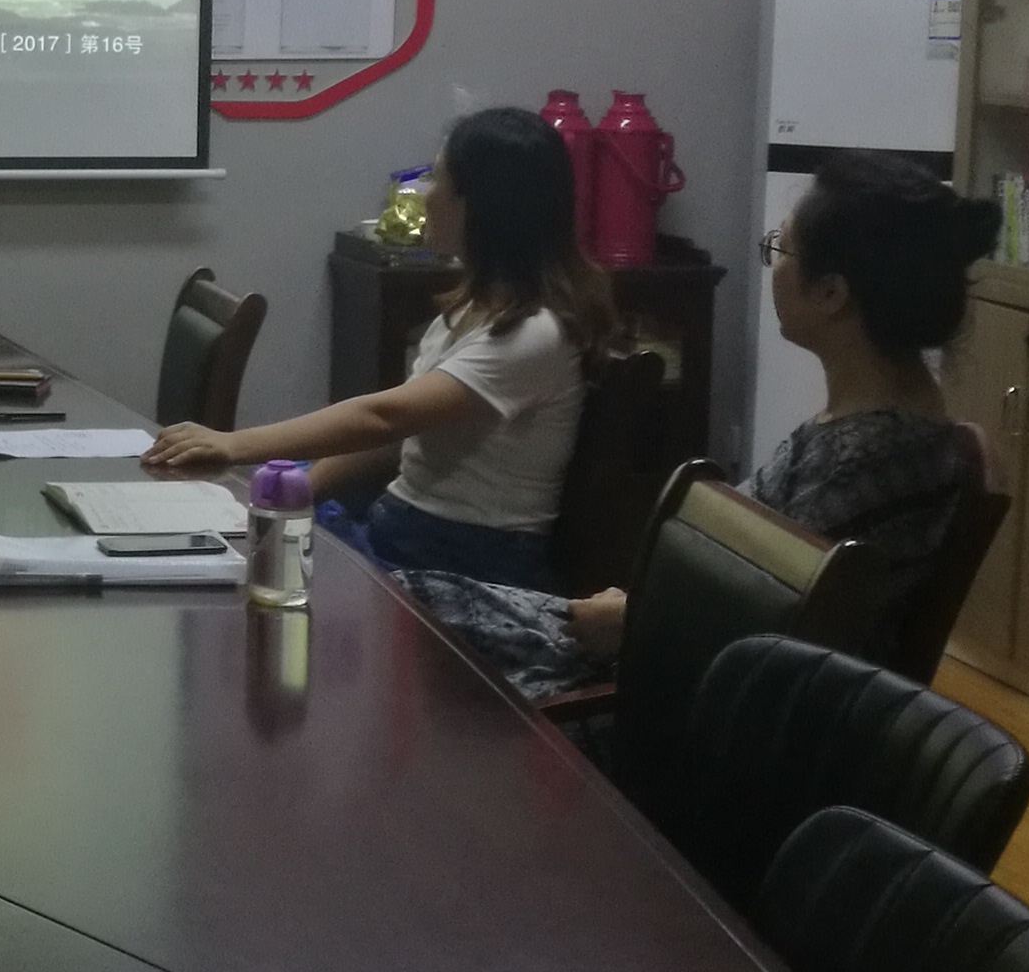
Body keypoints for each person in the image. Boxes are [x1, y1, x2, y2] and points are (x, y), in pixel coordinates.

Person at [417, 150, 999, 698]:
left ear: (831, 293)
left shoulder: (866, 458)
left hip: (685, 708)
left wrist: (632, 618)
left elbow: (772, 625)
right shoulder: (884, 431)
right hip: (669, 653)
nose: (773, 266)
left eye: (781, 249)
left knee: (427, 644)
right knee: (421, 601)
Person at [145, 108, 609, 588]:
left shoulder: (532, 333)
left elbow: (383, 417)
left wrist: (233, 444)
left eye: (438, 181)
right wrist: (303, 488)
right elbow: (393, 438)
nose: (425, 195)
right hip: (405, 531)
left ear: (481, 205)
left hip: (465, 562)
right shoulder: (473, 311)